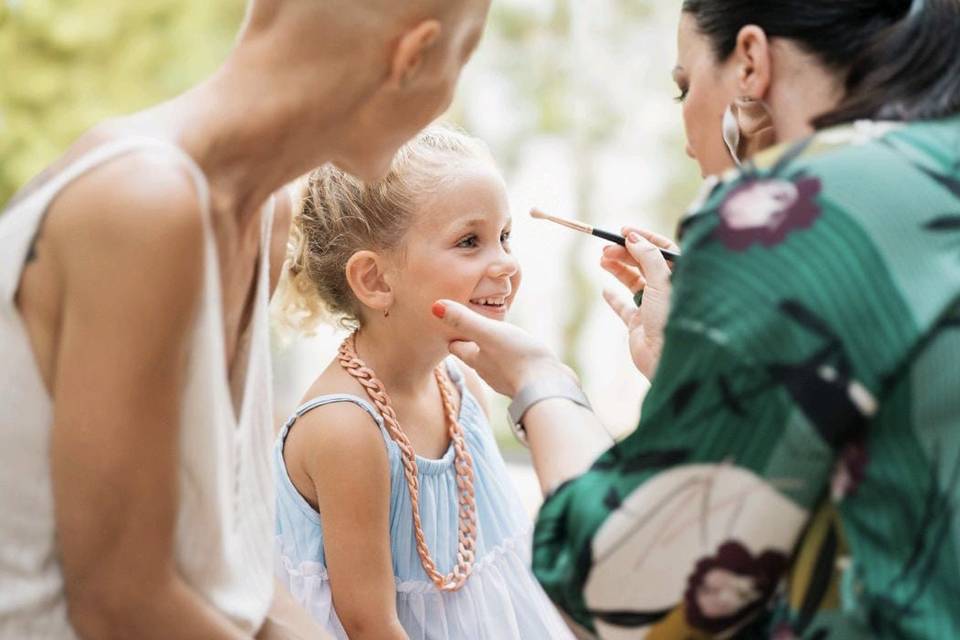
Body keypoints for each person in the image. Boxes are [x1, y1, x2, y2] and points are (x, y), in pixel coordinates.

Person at [428, 0, 960, 638]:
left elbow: (631, 585)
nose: (686, 138)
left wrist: (542, 385)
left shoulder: (790, 212)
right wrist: (708, 369)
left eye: (684, 86)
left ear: (751, 63)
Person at [0, 0, 491, 637]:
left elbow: (219, 571)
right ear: (413, 56)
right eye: (464, 59)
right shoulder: (143, 205)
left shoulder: (262, 217)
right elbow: (118, 604)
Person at [272, 125, 574, 640]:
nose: (506, 262)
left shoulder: (458, 384)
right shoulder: (346, 429)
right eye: (469, 241)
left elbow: (505, 559)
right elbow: (372, 626)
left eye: (504, 236)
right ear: (374, 280)